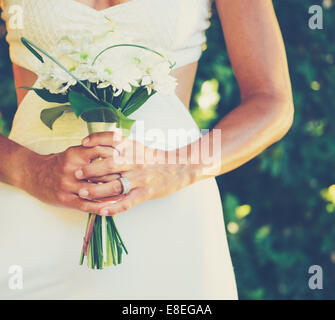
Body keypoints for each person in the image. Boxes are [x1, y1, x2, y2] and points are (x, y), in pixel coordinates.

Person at [0, 0, 293, 299]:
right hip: (29, 212)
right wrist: (25, 168)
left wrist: (177, 167)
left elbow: (272, 102)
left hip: (170, 213)